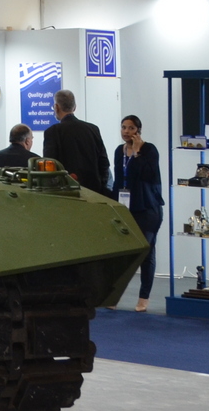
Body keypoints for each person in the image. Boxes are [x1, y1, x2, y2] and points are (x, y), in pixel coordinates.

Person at [112, 115, 164, 312]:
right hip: (126, 206)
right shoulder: (119, 151)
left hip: (147, 208)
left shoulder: (149, 150)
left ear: (138, 130)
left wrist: (137, 152)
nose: (126, 131)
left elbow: (150, 175)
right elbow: (119, 179)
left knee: (145, 253)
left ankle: (144, 297)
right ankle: (114, 295)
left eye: (131, 128)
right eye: (123, 127)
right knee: (121, 254)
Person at [43, 90, 110, 198]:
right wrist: (100, 186)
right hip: (94, 193)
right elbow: (104, 163)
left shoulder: (52, 132)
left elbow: (50, 167)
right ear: (74, 107)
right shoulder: (93, 129)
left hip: (66, 194)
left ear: (56, 107)